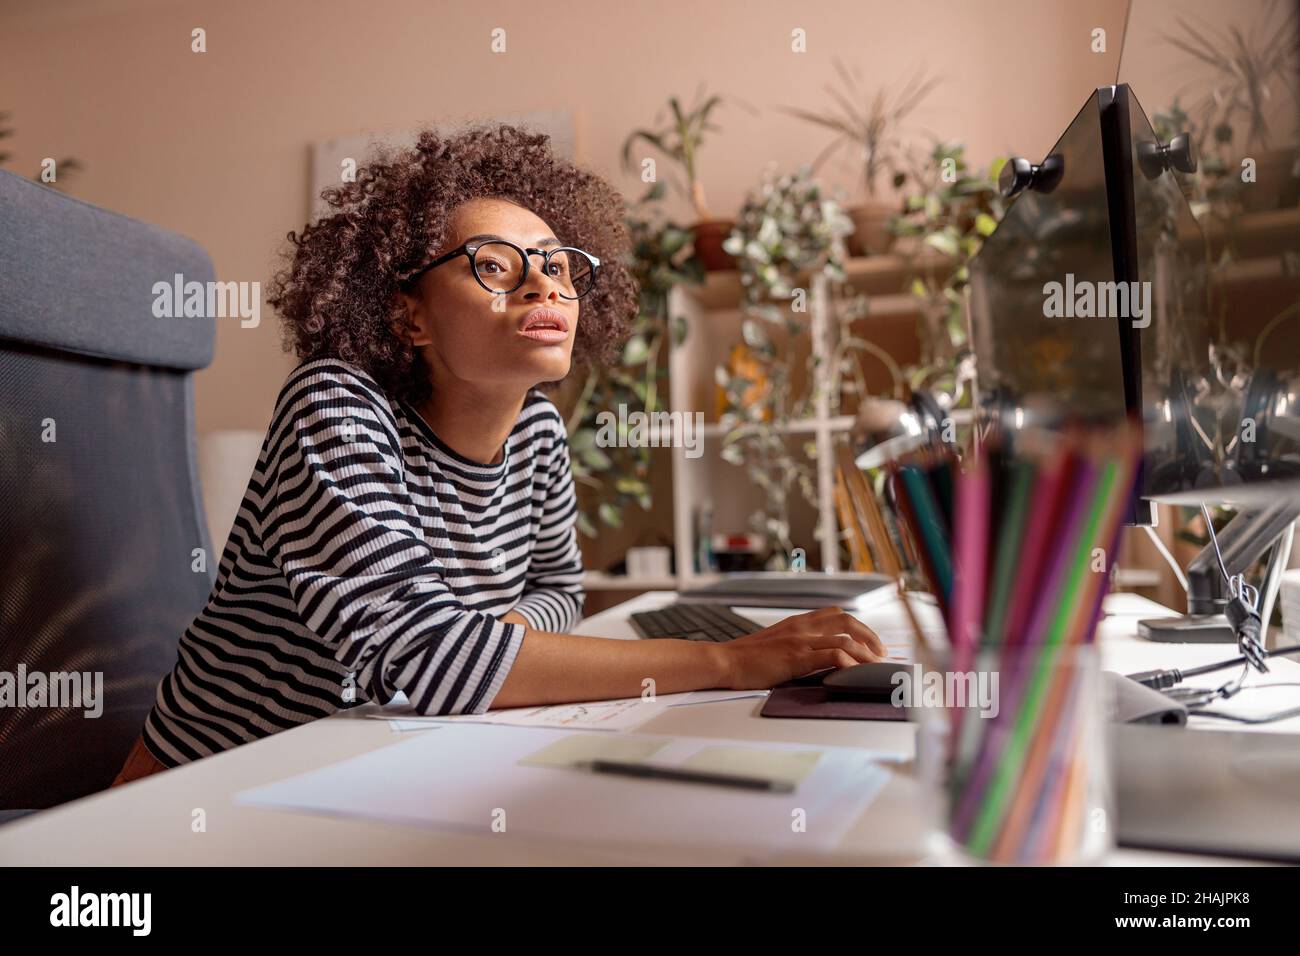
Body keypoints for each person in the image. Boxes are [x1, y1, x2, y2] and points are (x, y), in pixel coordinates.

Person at [112, 125, 883, 786]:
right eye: (493, 264)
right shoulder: (338, 407)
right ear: (408, 317)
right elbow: (423, 654)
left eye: (555, 265)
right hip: (207, 791)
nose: (541, 285)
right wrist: (730, 663)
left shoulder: (538, 432)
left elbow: (559, 588)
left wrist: (493, 644)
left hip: (369, 765)